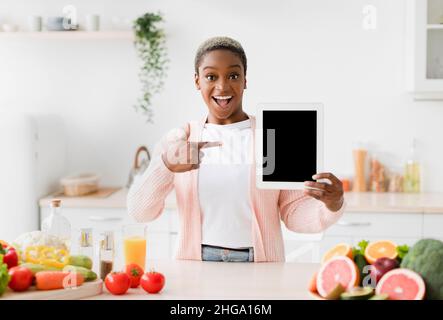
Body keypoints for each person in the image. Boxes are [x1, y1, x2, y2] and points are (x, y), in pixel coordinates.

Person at [127, 36, 345, 263]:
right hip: (195, 264)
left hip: (261, 265)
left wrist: (332, 205)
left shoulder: (274, 136)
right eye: (211, 76)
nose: (222, 86)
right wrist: (166, 165)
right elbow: (140, 212)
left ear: (245, 80)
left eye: (233, 75)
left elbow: (294, 214)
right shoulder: (179, 140)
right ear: (197, 81)